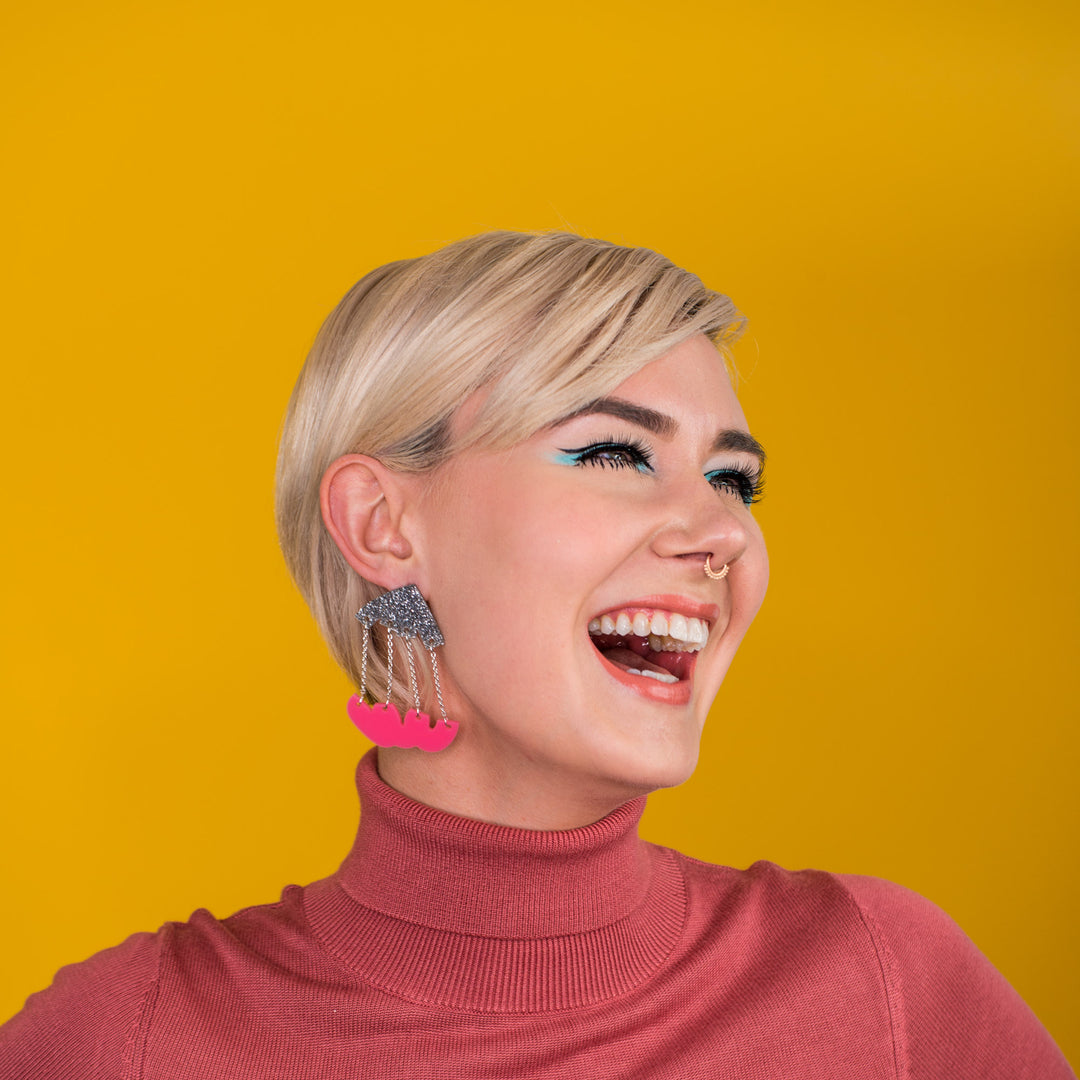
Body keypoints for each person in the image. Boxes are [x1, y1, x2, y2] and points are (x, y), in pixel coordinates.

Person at [0, 232, 1072, 1078]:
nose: (722, 531)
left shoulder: (884, 984)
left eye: (733, 480)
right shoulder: (130, 1042)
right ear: (382, 526)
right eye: (615, 452)